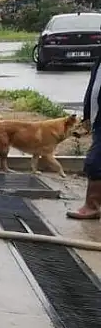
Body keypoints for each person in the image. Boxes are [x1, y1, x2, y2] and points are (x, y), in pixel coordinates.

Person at [67, 55, 101, 220]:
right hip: (98, 119)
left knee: (95, 162)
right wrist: (88, 116)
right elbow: (94, 87)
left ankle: (92, 206)